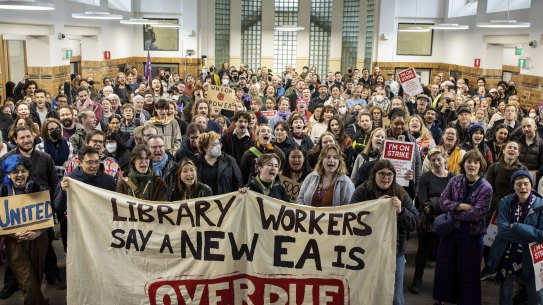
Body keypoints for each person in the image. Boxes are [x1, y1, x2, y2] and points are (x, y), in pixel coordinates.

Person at [350, 159, 419, 305]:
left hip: (394, 253)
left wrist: (401, 211)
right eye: (381, 174)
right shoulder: (362, 191)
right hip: (366, 253)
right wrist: (374, 208)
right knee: (366, 294)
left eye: (389, 174)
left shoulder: (400, 192)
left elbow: (414, 223)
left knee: (395, 298)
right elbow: (351, 220)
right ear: (374, 174)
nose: (385, 178)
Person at [433, 150, 493, 305]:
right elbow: (442, 202)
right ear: (463, 164)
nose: (472, 165)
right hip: (451, 233)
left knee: (468, 274)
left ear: (481, 165)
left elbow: (477, 213)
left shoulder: (486, 187)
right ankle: (445, 301)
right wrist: (459, 206)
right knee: (445, 269)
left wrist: (453, 213)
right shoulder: (455, 180)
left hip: (472, 236)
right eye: (468, 161)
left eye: (475, 162)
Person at [487, 170, 543, 305]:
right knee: (505, 295)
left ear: (531, 185)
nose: (523, 187)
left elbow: (541, 236)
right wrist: (530, 235)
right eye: (519, 184)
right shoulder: (505, 202)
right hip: (507, 255)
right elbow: (503, 231)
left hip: (532, 257)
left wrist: (517, 227)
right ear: (513, 186)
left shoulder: (541, 205)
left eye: (526, 184)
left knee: (536, 295)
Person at [0, 155, 49, 305]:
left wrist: (37, 233)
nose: (20, 175)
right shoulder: (3, 191)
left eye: (23, 171)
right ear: (8, 174)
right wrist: (14, 233)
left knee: (36, 277)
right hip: (14, 242)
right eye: (14, 171)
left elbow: (48, 217)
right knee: (27, 280)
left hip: (38, 239)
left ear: (28, 172)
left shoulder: (37, 187)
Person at [408, 147, 455, 294]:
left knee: (445, 254)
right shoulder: (425, 177)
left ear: (445, 159)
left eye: (438, 159)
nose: (436, 162)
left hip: (446, 221)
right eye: (432, 160)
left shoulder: (452, 178)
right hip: (428, 220)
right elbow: (422, 201)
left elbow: (455, 200)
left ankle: (444, 284)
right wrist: (437, 205)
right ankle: (417, 280)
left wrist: (437, 204)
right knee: (422, 252)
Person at [54, 146, 117, 251]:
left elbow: (115, 206)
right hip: (77, 231)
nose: (94, 166)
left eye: (97, 162)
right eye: (89, 162)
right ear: (79, 163)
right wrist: (62, 191)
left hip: (101, 229)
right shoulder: (69, 180)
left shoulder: (109, 181)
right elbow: (57, 207)